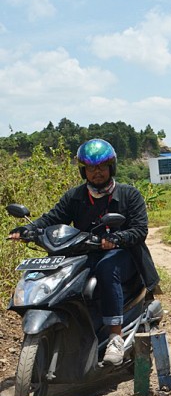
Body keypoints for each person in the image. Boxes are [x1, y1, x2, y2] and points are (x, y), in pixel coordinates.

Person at [9, 139, 160, 366]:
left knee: (107, 268)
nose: (97, 172)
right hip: (86, 252)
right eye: (91, 168)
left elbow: (139, 230)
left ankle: (114, 337)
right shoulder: (75, 196)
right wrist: (29, 229)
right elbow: (52, 218)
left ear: (111, 167)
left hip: (125, 255)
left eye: (101, 167)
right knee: (60, 273)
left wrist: (117, 238)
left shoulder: (129, 195)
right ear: (84, 170)